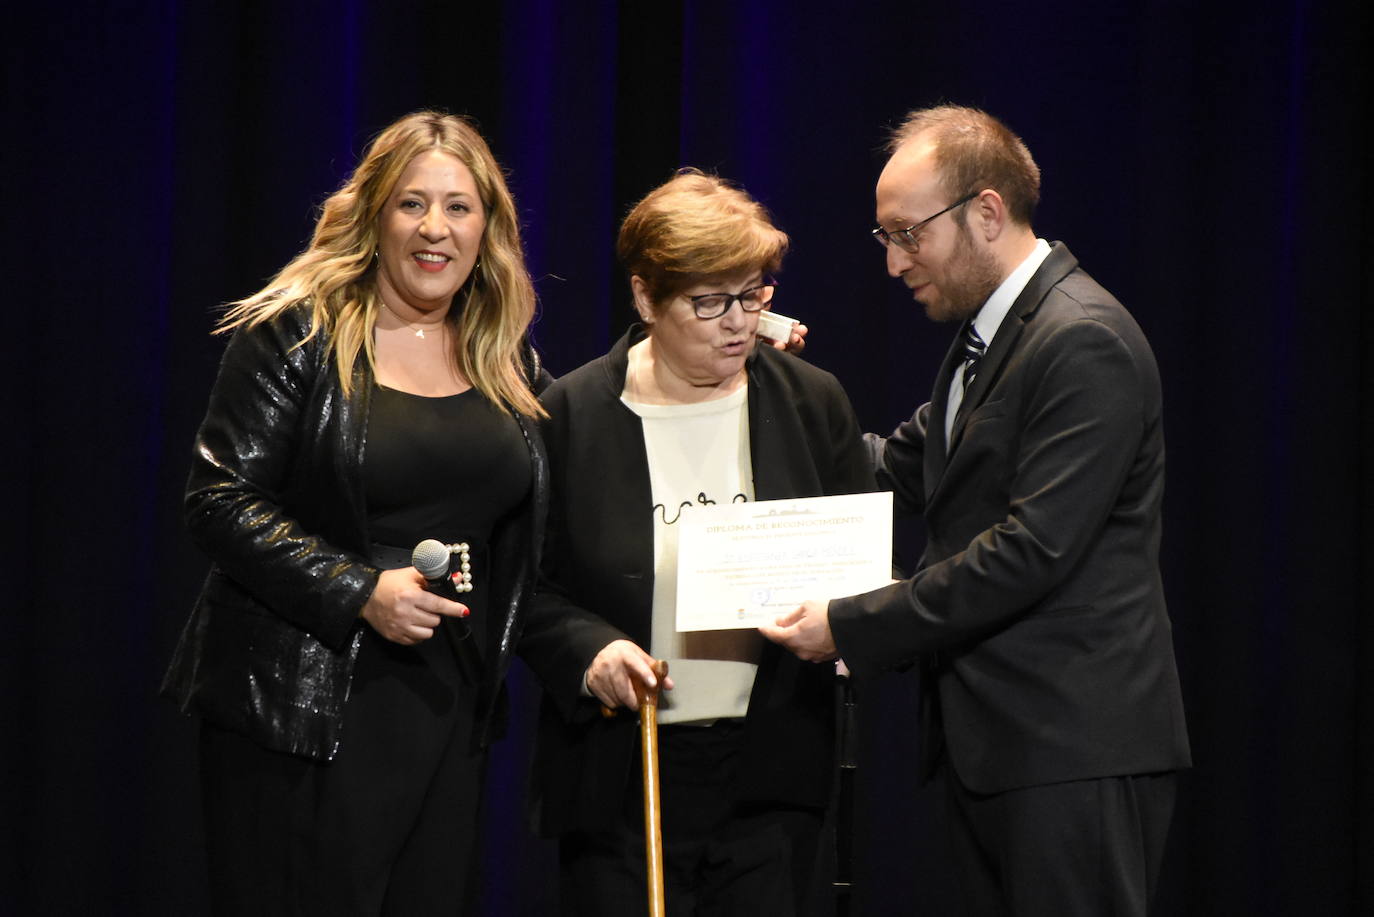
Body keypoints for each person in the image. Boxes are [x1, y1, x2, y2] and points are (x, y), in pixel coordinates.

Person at [761, 105, 1191, 916]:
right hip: (1000, 747)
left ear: (986, 212)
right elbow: (894, 468)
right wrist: (778, 392)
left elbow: (1031, 550)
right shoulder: (986, 339)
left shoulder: (1082, 339)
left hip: (1073, 748)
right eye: (884, 238)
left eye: (906, 235)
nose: (893, 264)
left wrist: (851, 620)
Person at [160, 110, 550, 916]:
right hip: (306, 697)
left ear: (489, 226)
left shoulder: (504, 358)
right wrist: (359, 588)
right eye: (412, 203)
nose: (434, 228)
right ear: (373, 213)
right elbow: (219, 501)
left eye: (458, 206)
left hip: (446, 697)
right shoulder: (296, 334)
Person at [518, 169, 874, 916]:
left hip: (772, 774)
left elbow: (860, 561)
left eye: (753, 294)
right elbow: (530, 589)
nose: (737, 323)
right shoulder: (572, 414)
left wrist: (846, 619)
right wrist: (591, 651)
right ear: (646, 298)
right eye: (709, 302)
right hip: (625, 774)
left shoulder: (812, 402)